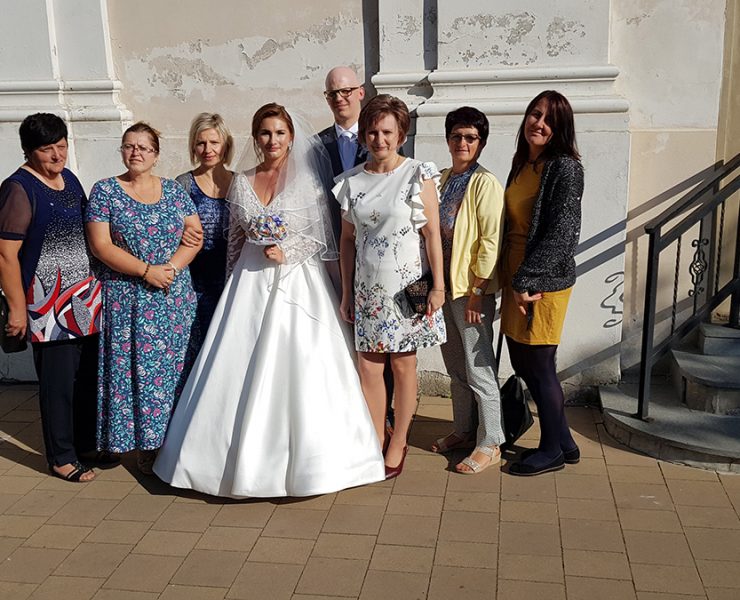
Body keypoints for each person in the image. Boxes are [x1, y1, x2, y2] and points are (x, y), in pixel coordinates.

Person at [153, 103, 385, 498]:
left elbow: (321, 237)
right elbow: (236, 238)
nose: (272, 140)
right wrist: (231, 283)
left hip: (297, 282)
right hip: (249, 280)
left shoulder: (308, 181)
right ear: (256, 138)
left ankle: (316, 464)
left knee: (304, 363)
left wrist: (287, 251)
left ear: (291, 137)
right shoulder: (242, 182)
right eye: (265, 133)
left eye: (279, 133)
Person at [334, 94, 446, 479]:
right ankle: (374, 438)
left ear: (401, 134)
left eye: (386, 132)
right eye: (372, 132)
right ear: (363, 135)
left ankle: (398, 441)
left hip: (407, 290)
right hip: (368, 289)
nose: (379, 139)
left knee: (403, 364)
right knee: (368, 367)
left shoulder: (418, 174)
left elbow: (432, 235)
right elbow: (347, 240)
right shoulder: (351, 182)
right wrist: (347, 293)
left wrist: (438, 287)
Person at [85, 122, 203, 475]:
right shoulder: (105, 191)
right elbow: (101, 245)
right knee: (136, 373)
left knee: (175, 371)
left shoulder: (174, 191)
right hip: (128, 299)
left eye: (143, 147)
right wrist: (145, 270)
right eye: (129, 146)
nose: (135, 152)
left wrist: (170, 268)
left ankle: (175, 442)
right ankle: (145, 446)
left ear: (156, 155)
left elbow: (194, 235)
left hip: (173, 297)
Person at [0, 113, 104, 482]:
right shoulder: (18, 189)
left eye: (61, 146)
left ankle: (85, 444)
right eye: (47, 149)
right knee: (57, 384)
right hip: (48, 306)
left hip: (85, 298)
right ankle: (61, 457)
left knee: (87, 376)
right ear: (29, 151)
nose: (57, 155)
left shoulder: (69, 178)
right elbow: (6, 255)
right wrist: (17, 309)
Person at [501, 90, 584, 476]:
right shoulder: (522, 164)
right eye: (535, 114)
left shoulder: (565, 169)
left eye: (550, 119)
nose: (539, 123)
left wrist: (526, 278)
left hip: (542, 281)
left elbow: (562, 234)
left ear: (560, 128)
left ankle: (550, 450)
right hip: (517, 277)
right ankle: (563, 440)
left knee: (539, 363)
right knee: (522, 360)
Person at [320, 66, 396, 430]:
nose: (340, 98)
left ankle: (386, 416)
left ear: (361, 92)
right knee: (340, 339)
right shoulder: (314, 146)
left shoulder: (384, 139)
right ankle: (351, 415)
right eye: (333, 93)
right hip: (333, 260)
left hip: (383, 264)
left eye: (346, 91)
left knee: (387, 346)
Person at [431, 107, 506, 474]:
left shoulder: (484, 183)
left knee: (479, 368)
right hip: (444, 289)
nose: (463, 143)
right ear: (448, 140)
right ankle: (463, 429)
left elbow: (491, 241)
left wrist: (478, 290)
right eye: (457, 136)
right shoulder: (444, 179)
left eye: (470, 138)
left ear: (481, 143)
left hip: (471, 292)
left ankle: (491, 442)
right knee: (455, 366)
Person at [175, 113, 234, 369]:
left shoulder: (240, 182)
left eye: (214, 142)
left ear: (226, 145)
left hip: (232, 280)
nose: (208, 149)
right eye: (201, 143)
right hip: (195, 283)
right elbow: (171, 229)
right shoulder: (183, 184)